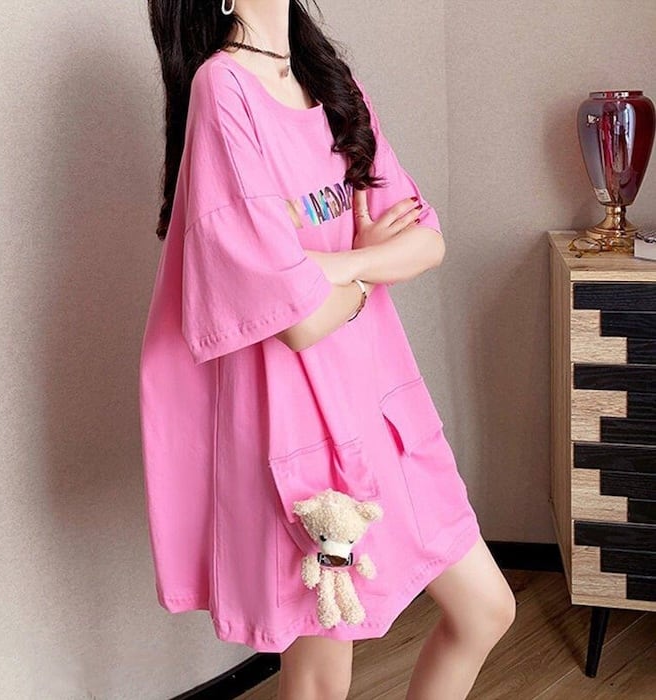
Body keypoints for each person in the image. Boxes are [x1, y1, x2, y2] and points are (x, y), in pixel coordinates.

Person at [139, 1, 517, 698]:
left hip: (381, 407)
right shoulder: (222, 88)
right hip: (303, 433)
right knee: (320, 679)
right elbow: (296, 320)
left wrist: (329, 264)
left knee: (486, 609)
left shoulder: (332, 80)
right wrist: (365, 265)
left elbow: (426, 240)